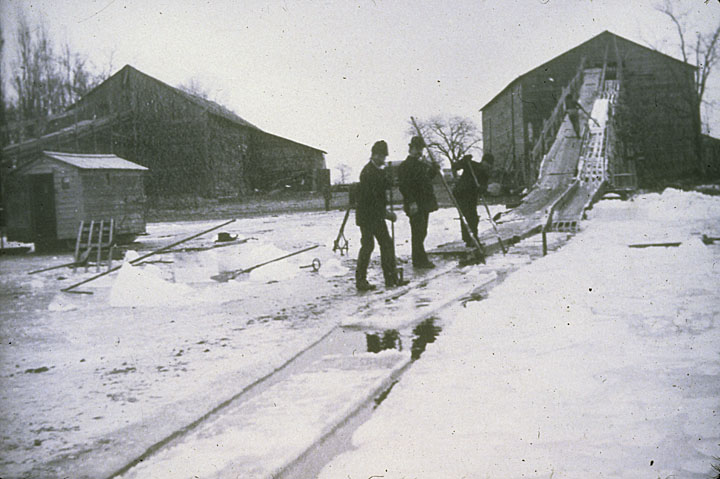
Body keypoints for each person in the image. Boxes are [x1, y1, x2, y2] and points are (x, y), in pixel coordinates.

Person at [355, 140, 402, 291]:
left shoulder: (378, 171)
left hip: (376, 216)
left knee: (387, 244)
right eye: (380, 156)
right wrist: (387, 214)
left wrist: (388, 182)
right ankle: (361, 281)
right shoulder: (368, 172)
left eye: (384, 156)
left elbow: (383, 187)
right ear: (374, 155)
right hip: (367, 216)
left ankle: (391, 278)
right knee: (368, 246)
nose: (383, 159)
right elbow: (372, 199)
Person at [397, 135, 440, 269]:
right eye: (416, 148)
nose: (419, 151)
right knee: (418, 232)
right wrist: (411, 202)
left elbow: (426, 181)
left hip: (424, 203)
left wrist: (434, 170)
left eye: (421, 148)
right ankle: (419, 260)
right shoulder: (405, 166)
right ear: (411, 148)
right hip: (415, 204)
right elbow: (404, 186)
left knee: (422, 232)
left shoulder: (421, 164)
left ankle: (419, 259)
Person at [452, 153, 494, 246]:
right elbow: (455, 166)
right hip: (461, 193)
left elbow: (484, 187)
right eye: (485, 163)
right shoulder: (471, 165)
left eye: (488, 165)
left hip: (471, 195)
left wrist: (481, 189)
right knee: (467, 216)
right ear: (483, 162)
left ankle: (473, 238)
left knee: (474, 218)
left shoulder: (485, 174)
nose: (486, 166)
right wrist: (464, 160)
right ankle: (470, 239)